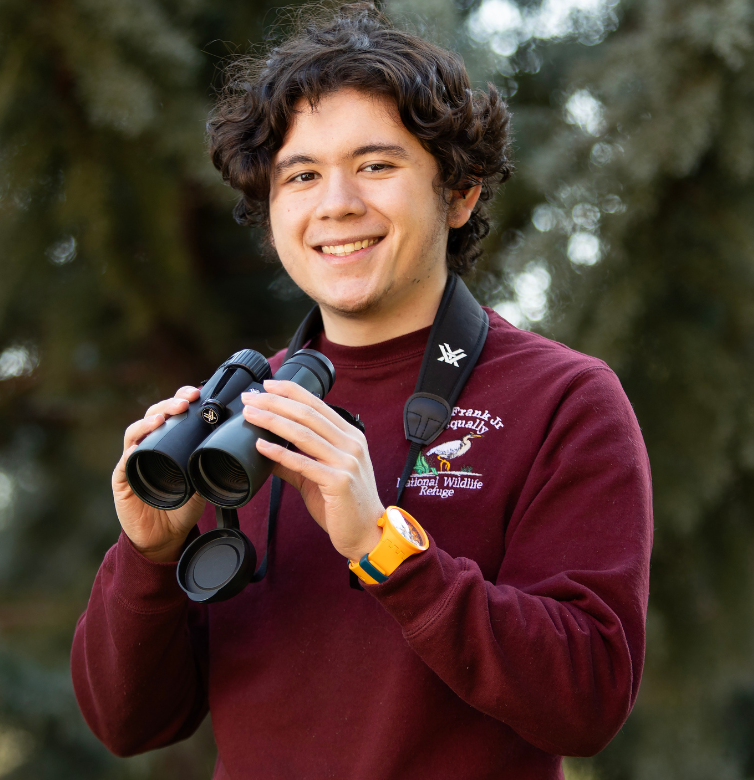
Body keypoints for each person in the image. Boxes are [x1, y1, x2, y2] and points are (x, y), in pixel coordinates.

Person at [71, 6, 652, 778]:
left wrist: (385, 546)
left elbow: (588, 699)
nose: (336, 203)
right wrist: (148, 555)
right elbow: (127, 722)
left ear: (460, 193)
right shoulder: (238, 423)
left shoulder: (563, 399)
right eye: (302, 175)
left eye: (376, 165)